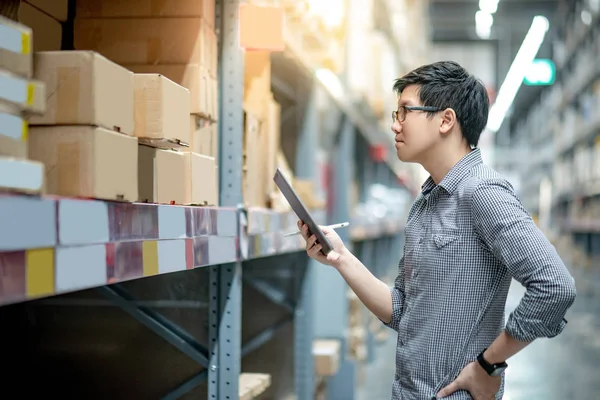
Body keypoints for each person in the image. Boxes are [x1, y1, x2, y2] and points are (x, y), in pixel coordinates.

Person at [298, 60, 576, 400]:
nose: (396, 126)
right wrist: (340, 257)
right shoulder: (424, 204)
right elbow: (402, 310)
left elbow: (555, 286)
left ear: (445, 120)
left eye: (405, 112)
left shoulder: (482, 192)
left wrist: (488, 365)